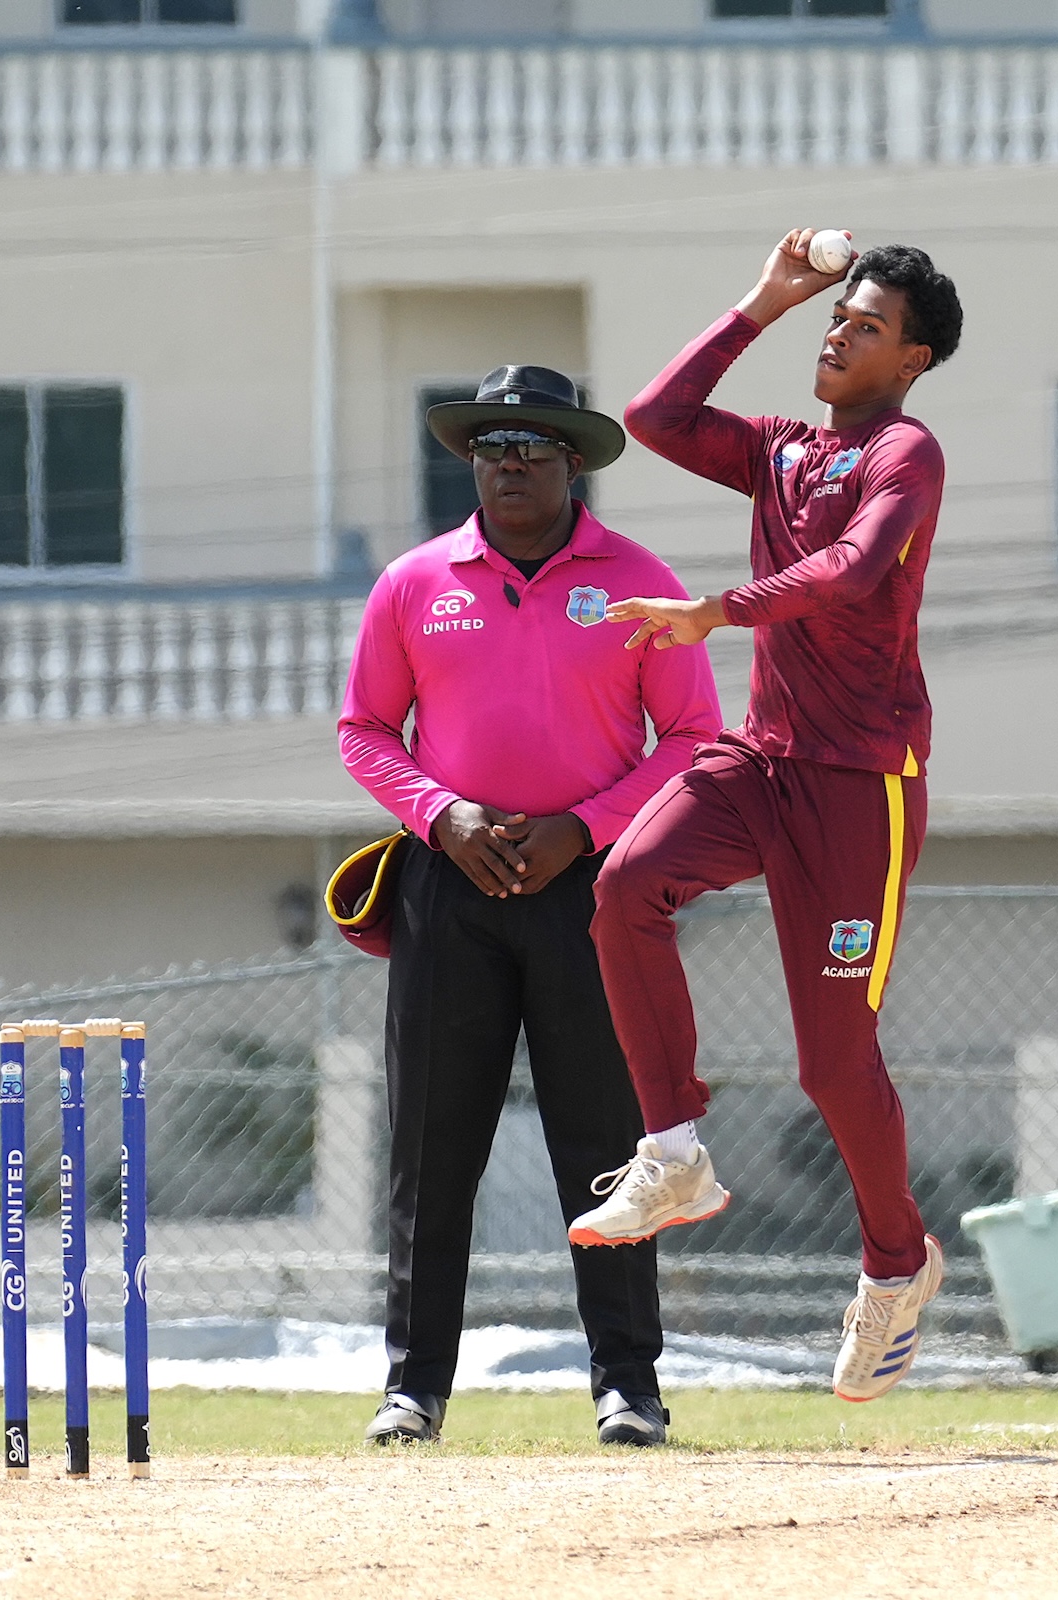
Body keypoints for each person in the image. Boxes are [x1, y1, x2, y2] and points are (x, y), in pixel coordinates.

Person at [568, 230, 964, 1403]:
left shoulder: (905, 452)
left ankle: (895, 1266)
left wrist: (716, 611)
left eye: (865, 325)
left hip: (858, 786)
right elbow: (651, 416)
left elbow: (852, 568)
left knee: (832, 1066)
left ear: (912, 360)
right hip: (764, 759)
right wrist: (762, 302)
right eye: (838, 315)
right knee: (624, 885)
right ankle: (672, 1153)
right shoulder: (781, 448)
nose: (839, 332)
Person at [339, 365, 722, 1444]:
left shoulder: (638, 580)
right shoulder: (414, 582)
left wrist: (584, 828)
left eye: (532, 448)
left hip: (588, 893)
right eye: (490, 447)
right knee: (432, 1146)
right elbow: (364, 729)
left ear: (573, 463)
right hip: (447, 882)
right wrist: (442, 815)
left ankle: (627, 1387)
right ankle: (413, 1388)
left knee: (606, 1145)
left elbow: (694, 738)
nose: (508, 465)